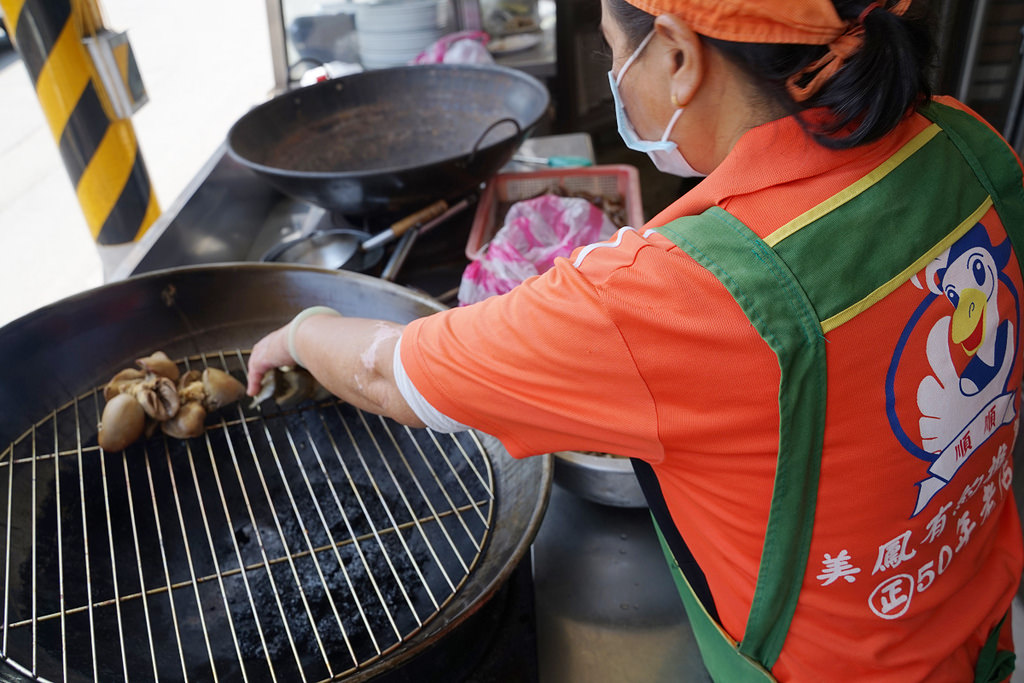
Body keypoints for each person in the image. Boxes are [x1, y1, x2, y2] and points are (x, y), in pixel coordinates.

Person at [247, 0, 1024, 679]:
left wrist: (305, 330)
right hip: (983, 631)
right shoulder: (971, 144)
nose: (617, 77)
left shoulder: (678, 297)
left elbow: (392, 375)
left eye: (615, 55)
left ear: (680, 57)